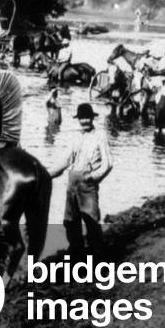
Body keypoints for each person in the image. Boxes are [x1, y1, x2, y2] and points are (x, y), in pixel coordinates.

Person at [48, 103, 113, 253]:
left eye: (87, 118)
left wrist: (94, 176)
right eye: (81, 118)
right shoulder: (76, 137)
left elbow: (108, 163)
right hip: (72, 183)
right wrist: (48, 175)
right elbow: (65, 160)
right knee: (70, 221)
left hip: (88, 183)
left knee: (91, 219)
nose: (84, 121)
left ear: (92, 118)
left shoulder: (100, 135)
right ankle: (76, 251)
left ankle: (97, 255)